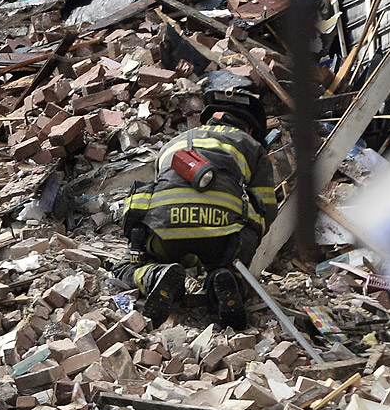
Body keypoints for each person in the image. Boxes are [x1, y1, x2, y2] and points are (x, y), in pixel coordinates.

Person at [113, 89, 278, 329]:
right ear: (250, 128)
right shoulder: (250, 145)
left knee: (124, 266)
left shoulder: (173, 144)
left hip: (164, 234)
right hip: (221, 242)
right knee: (248, 222)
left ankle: (155, 275)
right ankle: (228, 279)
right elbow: (267, 208)